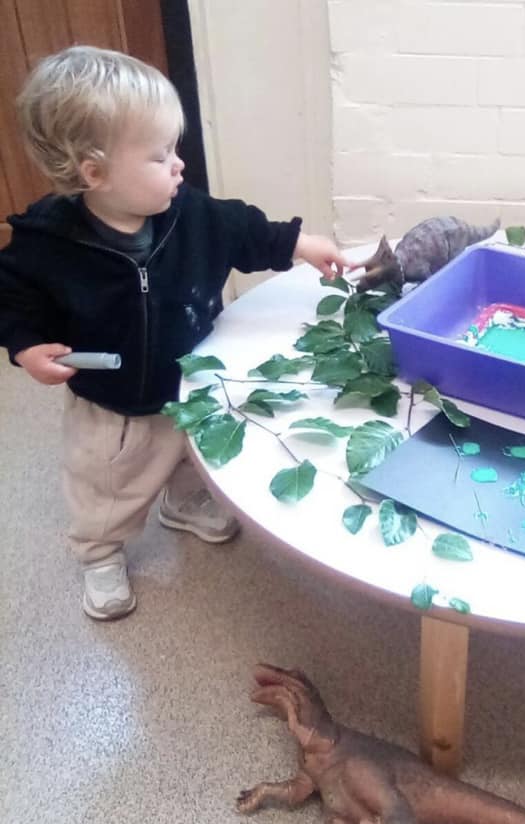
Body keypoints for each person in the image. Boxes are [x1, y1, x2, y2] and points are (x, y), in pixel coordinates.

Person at [0, 46, 350, 621]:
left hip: (189, 382)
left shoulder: (190, 213)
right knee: (107, 484)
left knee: (190, 455)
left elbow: (244, 230)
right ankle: (101, 552)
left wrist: (299, 244)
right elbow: (13, 298)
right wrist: (26, 347)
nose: (179, 166)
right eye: (161, 156)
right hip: (112, 404)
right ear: (95, 173)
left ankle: (183, 502)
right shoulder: (46, 243)